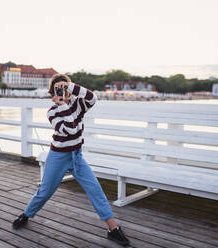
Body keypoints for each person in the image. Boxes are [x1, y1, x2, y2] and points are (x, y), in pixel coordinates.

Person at [12, 73, 130, 246]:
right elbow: (71, 130)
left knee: (95, 189)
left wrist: (69, 86)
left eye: (64, 88)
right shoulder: (52, 112)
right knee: (44, 192)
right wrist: (61, 106)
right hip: (58, 157)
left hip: (77, 156)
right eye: (58, 89)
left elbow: (93, 98)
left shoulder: (78, 104)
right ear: (52, 92)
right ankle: (26, 214)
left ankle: (113, 229)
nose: (62, 91)